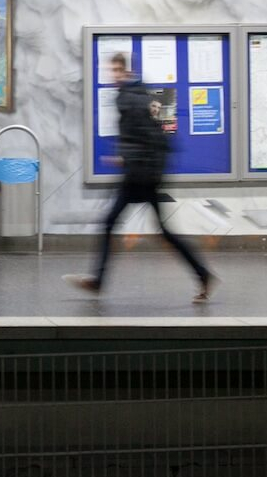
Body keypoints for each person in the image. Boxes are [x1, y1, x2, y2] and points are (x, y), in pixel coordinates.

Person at [66, 53, 216, 302]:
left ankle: (99, 281)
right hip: (145, 173)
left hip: (140, 176)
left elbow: (148, 137)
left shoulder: (129, 98)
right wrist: (126, 156)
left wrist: (128, 157)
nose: (113, 75)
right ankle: (203, 275)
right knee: (162, 231)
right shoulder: (140, 95)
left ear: (126, 71)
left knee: (110, 223)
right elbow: (149, 136)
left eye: (117, 70)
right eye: (110, 70)